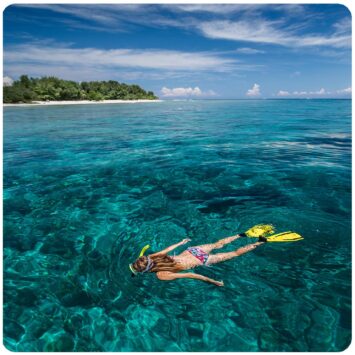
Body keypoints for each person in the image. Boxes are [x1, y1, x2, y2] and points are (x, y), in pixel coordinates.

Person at [129, 233, 268, 287]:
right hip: (193, 250)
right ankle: (241, 235)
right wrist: (181, 242)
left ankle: (260, 242)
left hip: (202, 259)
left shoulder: (161, 275)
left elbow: (191, 275)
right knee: (218, 243)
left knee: (235, 253)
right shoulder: (153, 256)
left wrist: (215, 282)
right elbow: (166, 251)